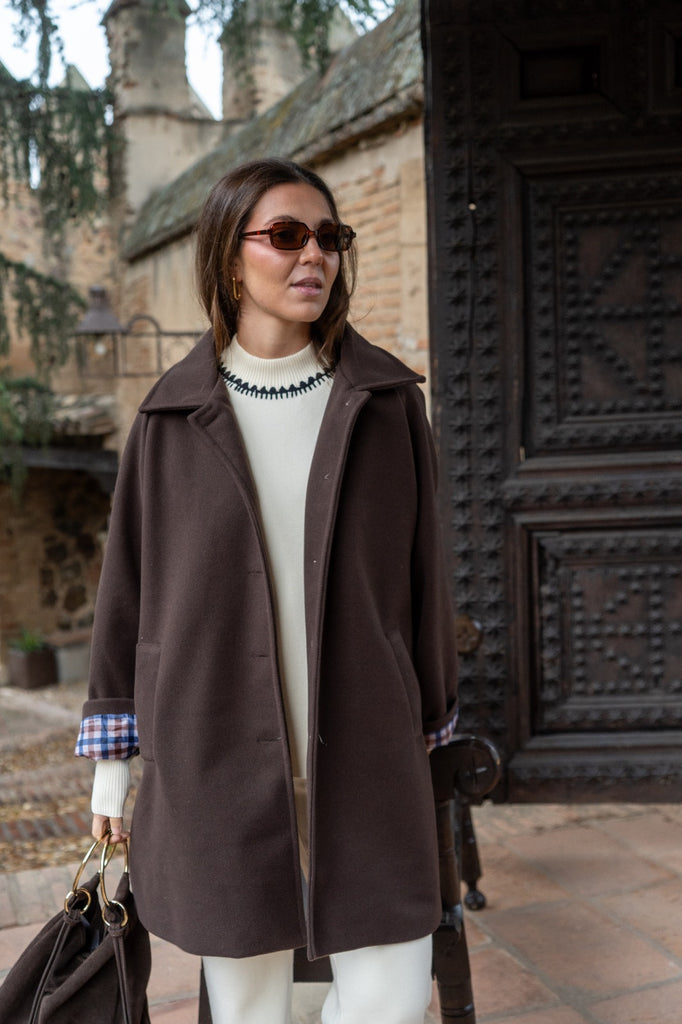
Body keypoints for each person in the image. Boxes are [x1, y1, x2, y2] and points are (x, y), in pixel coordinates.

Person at [75, 157, 459, 1024]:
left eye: (329, 236)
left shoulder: (386, 403)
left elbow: (423, 576)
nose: (313, 255)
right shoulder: (169, 418)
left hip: (367, 747)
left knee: (391, 1001)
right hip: (215, 755)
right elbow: (128, 595)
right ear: (228, 256)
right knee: (251, 1010)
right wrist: (112, 764)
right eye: (286, 235)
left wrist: (432, 715)